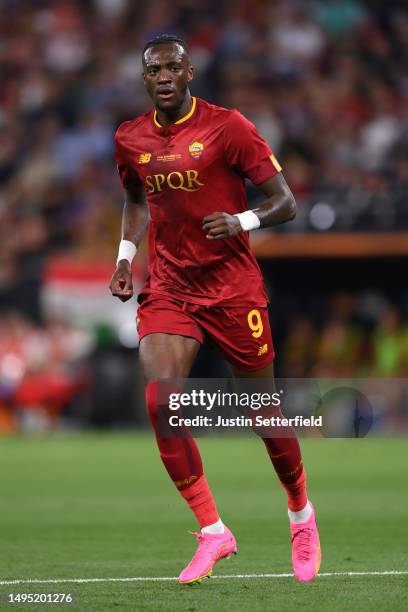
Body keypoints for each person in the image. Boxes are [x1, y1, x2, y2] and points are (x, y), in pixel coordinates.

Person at [110, 34, 321, 585]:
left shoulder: (229, 126)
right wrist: (126, 257)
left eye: (172, 67)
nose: (162, 76)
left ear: (189, 72)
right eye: (152, 69)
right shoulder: (130, 137)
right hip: (172, 288)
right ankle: (212, 532)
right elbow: (135, 200)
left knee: (262, 413)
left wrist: (243, 221)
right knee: (161, 403)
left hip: (232, 288)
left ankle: (301, 513)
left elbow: (286, 201)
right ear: (144, 77)